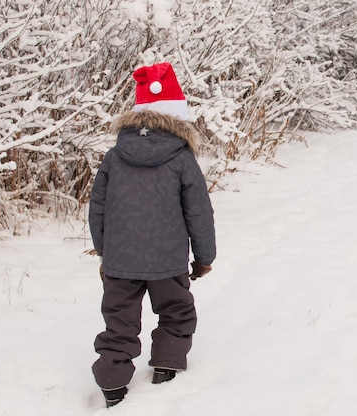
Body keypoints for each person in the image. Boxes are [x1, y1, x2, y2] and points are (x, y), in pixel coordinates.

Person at [88, 62, 216, 408]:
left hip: (120, 261)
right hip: (168, 260)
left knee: (119, 320)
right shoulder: (181, 158)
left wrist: (105, 252)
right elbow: (198, 211)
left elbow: (96, 207)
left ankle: (112, 382)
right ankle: (166, 365)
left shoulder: (115, 156)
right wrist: (203, 258)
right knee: (176, 310)